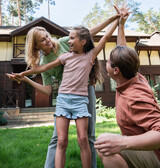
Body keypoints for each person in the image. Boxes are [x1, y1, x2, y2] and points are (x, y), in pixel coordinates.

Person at [7, 11, 120, 168]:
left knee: (88, 135)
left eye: (47, 36)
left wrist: (113, 19)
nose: (48, 40)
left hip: (84, 90)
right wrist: (25, 78)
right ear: (36, 46)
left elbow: (88, 33)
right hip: (65, 96)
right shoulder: (47, 61)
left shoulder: (64, 42)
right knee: (58, 138)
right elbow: (47, 90)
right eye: (43, 40)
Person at [94, 4, 160, 168]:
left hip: (156, 155)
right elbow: (122, 51)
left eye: (108, 61)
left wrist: (122, 143)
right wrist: (121, 25)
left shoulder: (134, 97)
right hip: (146, 150)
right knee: (105, 142)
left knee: (105, 147)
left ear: (116, 70)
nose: (106, 63)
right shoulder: (134, 76)